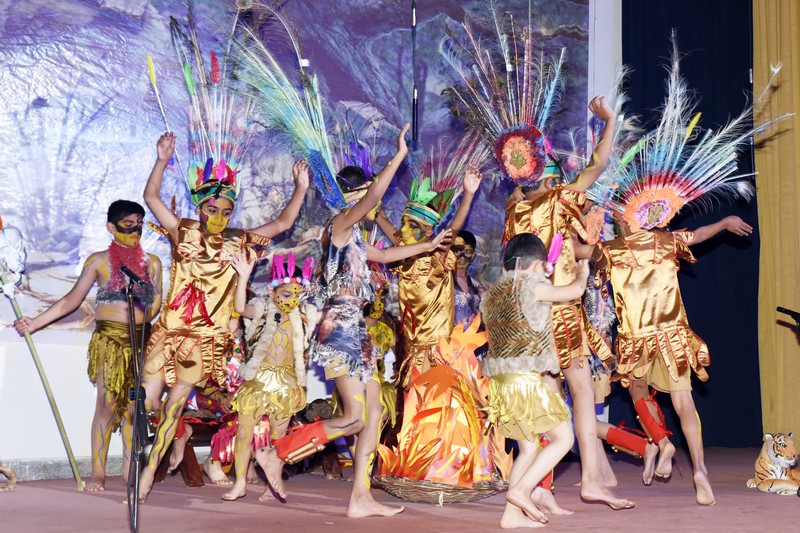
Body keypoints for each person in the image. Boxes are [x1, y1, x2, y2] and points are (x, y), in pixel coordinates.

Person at [273, 124, 453, 518]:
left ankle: (360, 497)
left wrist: (428, 244)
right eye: (369, 194)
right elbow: (373, 197)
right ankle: (278, 453)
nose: (375, 203)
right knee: (354, 418)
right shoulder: (340, 225)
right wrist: (400, 155)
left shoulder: (354, 236)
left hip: (357, 331)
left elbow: (385, 256)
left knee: (373, 415)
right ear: (354, 196)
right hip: (339, 328)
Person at [137, 132, 308, 502]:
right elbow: (151, 198)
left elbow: (282, 224)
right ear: (199, 207)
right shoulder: (182, 230)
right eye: (211, 210)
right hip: (169, 333)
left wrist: (300, 188)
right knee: (146, 404)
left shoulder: (237, 240)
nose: (218, 218)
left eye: (226, 212)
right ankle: (174, 435)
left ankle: (147, 476)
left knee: (173, 407)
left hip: (203, 340)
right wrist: (162, 160)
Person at [594, 215, 752, 505]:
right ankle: (700, 469)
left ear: (625, 222)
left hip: (636, 340)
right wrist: (725, 223)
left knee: (637, 391)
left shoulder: (610, 249)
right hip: (672, 337)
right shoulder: (667, 241)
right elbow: (699, 234)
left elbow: (575, 253)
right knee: (684, 402)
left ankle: (663, 442)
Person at [14, 200, 162, 492]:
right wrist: (35, 323)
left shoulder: (152, 263)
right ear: (111, 228)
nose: (135, 231)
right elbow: (72, 300)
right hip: (109, 342)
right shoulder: (99, 261)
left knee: (134, 407)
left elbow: (155, 305)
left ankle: (130, 470)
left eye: (139, 225)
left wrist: (144, 302)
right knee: (106, 405)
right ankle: (98, 472)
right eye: (128, 225)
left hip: (140, 341)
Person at [483, 233, 586, 528]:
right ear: (540, 265)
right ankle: (521, 490)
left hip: (501, 382)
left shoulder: (493, 293)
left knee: (528, 448)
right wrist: (583, 271)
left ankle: (511, 516)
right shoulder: (531, 286)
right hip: (524, 381)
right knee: (563, 438)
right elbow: (576, 291)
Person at [220, 251, 314, 502]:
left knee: (277, 439)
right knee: (244, 433)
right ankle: (239, 483)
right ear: (272, 291)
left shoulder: (306, 317)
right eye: (286, 294)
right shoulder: (262, 311)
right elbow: (240, 308)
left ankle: (271, 485)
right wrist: (243, 277)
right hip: (258, 381)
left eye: (297, 295)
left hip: (286, 384)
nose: (291, 300)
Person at [386, 163, 482, 388]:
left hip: (437, 351)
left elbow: (454, 228)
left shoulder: (437, 257)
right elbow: (392, 234)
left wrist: (468, 195)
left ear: (429, 231)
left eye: (412, 225)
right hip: (413, 351)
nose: (404, 230)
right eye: (403, 223)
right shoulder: (403, 254)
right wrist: (378, 214)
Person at [453, 230, 483, 328]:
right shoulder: (443, 282)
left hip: (475, 336)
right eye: (458, 251)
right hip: (448, 336)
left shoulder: (476, 284)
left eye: (467, 252)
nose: (462, 257)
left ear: (473, 255)